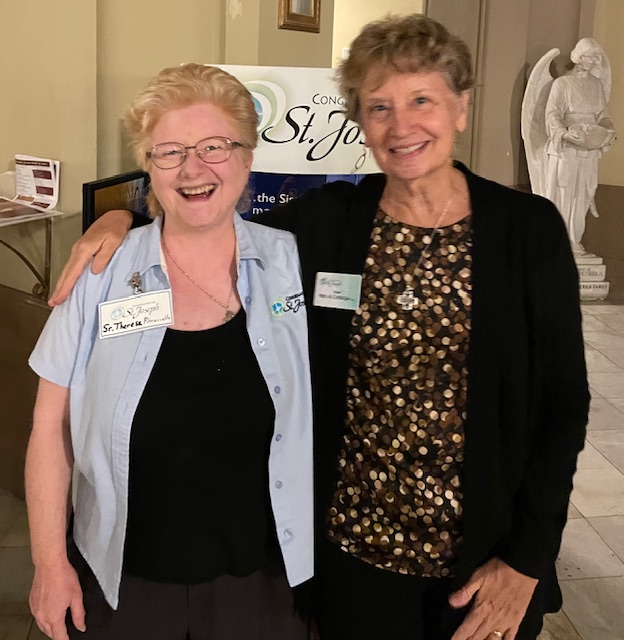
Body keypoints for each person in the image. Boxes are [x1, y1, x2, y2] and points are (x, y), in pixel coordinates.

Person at [49, 14, 589, 640]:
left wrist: (527, 557)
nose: (402, 125)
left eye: (422, 101)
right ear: (360, 122)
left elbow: (564, 405)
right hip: (352, 558)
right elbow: (208, 205)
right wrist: (118, 220)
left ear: (461, 107)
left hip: (482, 561)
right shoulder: (327, 225)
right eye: (379, 107)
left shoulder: (527, 230)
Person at [26, 63, 313, 640]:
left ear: (247, 156)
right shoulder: (99, 274)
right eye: (170, 151)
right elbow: (48, 427)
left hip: (259, 581)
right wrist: (49, 563)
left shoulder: (293, 262)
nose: (193, 168)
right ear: (149, 168)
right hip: (124, 584)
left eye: (215, 146)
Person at [545, 37, 616, 255]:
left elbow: (603, 116)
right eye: (589, 56)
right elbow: (553, 113)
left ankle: (575, 239)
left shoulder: (596, 85)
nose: (593, 61)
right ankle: (561, 239)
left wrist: (607, 131)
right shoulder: (562, 84)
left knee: (584, 194)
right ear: (578, 56)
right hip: (568, 148)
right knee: (565, 194)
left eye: (596, 57)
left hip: (590, 149)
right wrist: (564, 133)